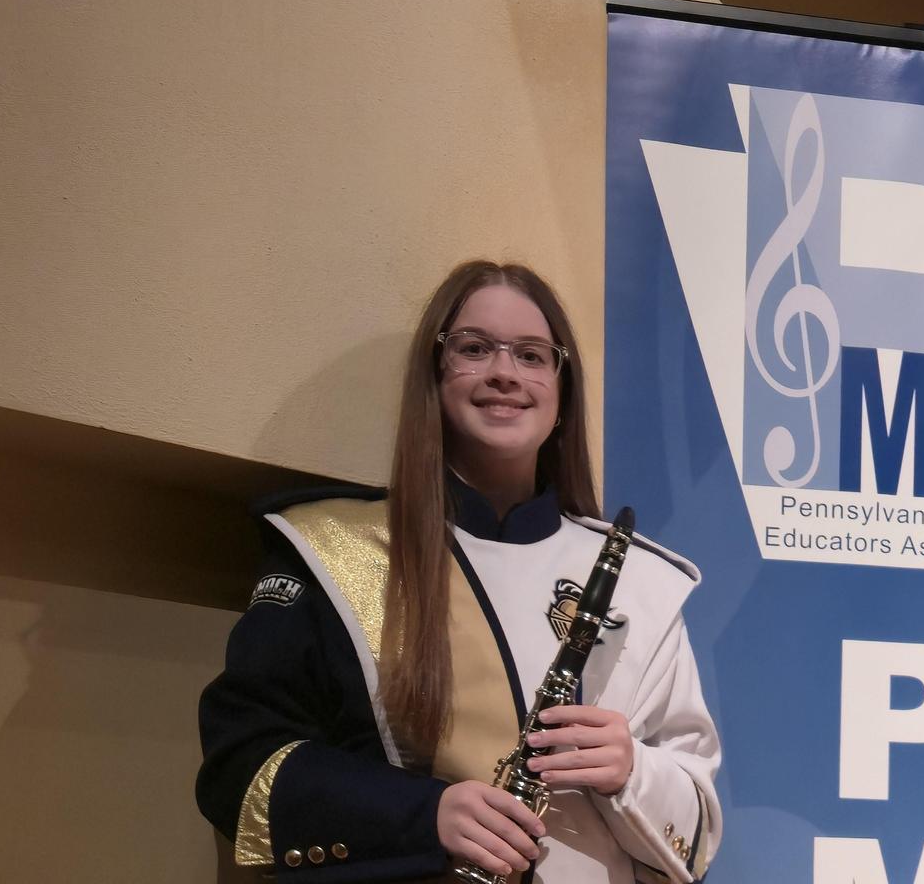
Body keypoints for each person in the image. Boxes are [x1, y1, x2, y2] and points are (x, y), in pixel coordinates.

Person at [196, 260, 720, 882]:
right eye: (474, 349)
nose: (505, 372)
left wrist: (632, 769)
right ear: (434, 375)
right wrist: (425, 815)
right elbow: (243, 769)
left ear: (562, 389)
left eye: (532, 355)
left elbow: (698, 834)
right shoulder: (333, 549)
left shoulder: (642, 580)